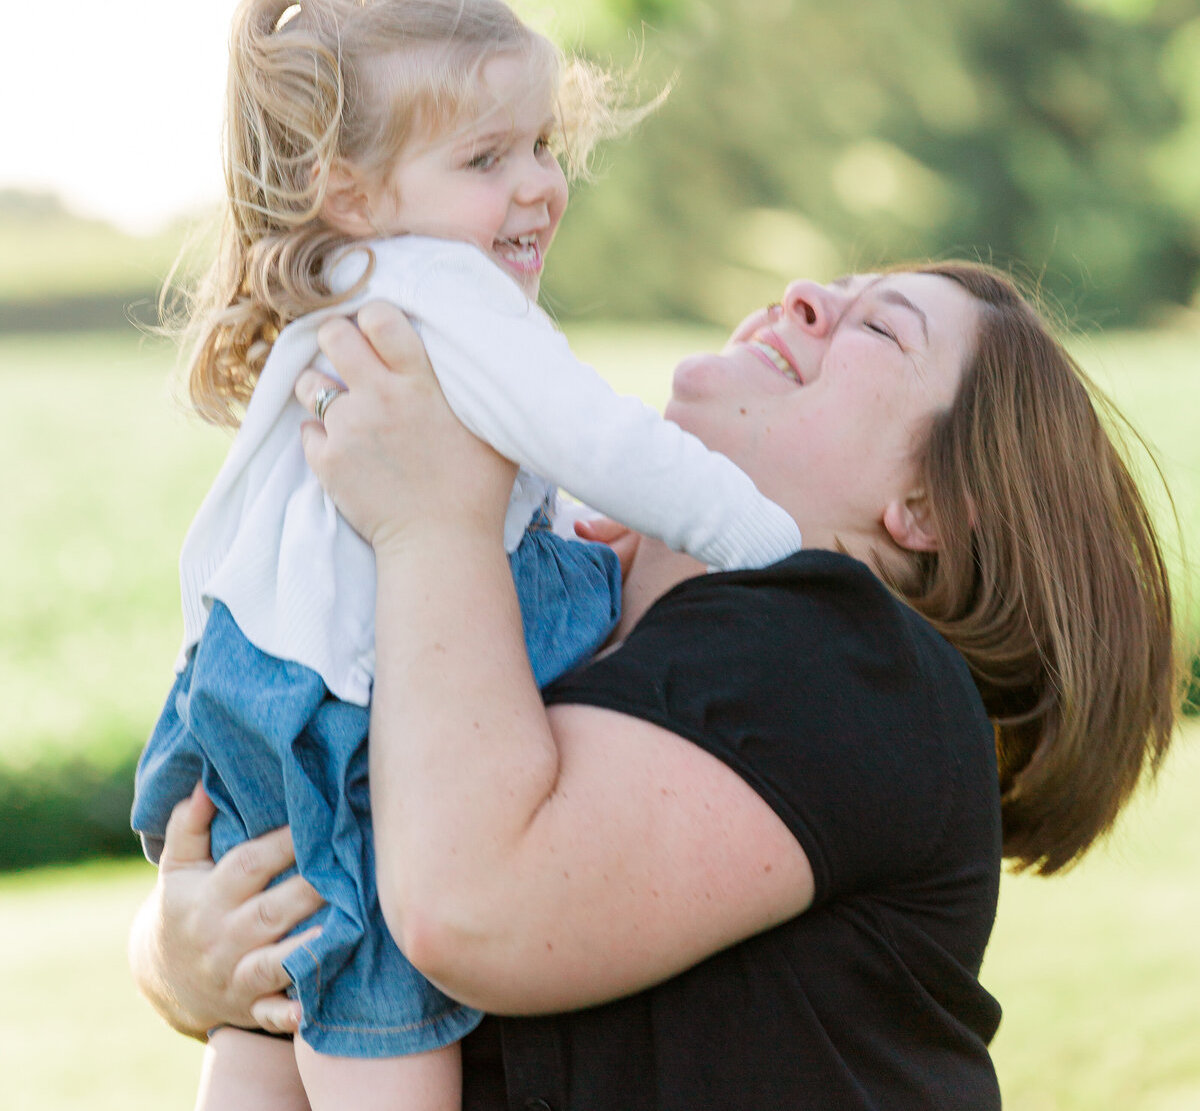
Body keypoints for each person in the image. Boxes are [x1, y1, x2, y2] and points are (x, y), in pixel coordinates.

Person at [131, 262, 1178, 1110]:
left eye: (880, 328)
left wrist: (428, 522)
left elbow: (472, 907)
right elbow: (287, 826)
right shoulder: (541, 609)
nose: (807, 293)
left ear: (933, 506)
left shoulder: (860, 660)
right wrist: (181, 958)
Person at [132, 0, 806, 1111]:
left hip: (252, 682)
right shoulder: (447, 288)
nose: (540, 185)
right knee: (379, 1020)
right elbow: (606, 443)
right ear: (349, 190)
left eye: (541, 146)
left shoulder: (346, 282)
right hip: (352, 709)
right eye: (486, 161)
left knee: (270, 1006)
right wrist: (774, 548)